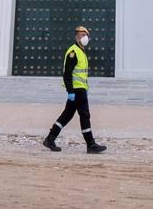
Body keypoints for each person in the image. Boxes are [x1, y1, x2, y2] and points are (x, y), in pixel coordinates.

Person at [43, 25, 107, 154]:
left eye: (85, 35)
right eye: (80, 35)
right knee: (84, 115)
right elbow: (67, 74)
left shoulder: (81, 51)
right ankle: (91, 144)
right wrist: (70, 91)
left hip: (80, 89)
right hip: (76, 91)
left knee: (67, 115)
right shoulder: (73, 52)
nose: (83, 37)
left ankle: (50, 139)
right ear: (76, 37)